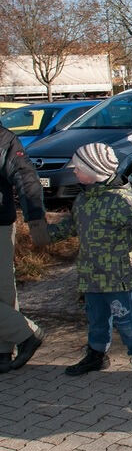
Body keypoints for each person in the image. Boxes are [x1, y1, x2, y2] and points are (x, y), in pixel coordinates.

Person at [48, 143, 132, 386]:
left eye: (78, 168)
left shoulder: (121, 200)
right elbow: (72, 225)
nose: (74, 172)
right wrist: (45, 232)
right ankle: (96, 354)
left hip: (117, 274)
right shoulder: (84, 199)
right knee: (96, 316)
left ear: (94, 170)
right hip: (90, 273)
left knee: (125, 316)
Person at [0, 125, 50, 373]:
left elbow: (25, 176)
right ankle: (16, 341)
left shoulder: (4, 139)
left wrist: (36, 218)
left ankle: (13, 342)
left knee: (4, 289)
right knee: (4, 290)